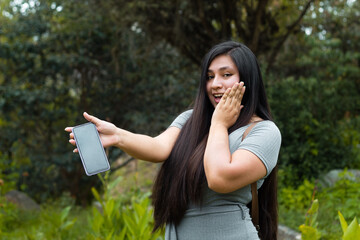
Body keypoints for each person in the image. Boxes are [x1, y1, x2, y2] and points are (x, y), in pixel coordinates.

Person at [65, 41, 281, 240]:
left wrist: (219, 124)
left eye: (226, 75)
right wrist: (118, 136)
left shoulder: (263, 132)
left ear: (248, 79)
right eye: (209, 76)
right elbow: (159, 147)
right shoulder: (191, 119)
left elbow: (219, 178)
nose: (215, 84)